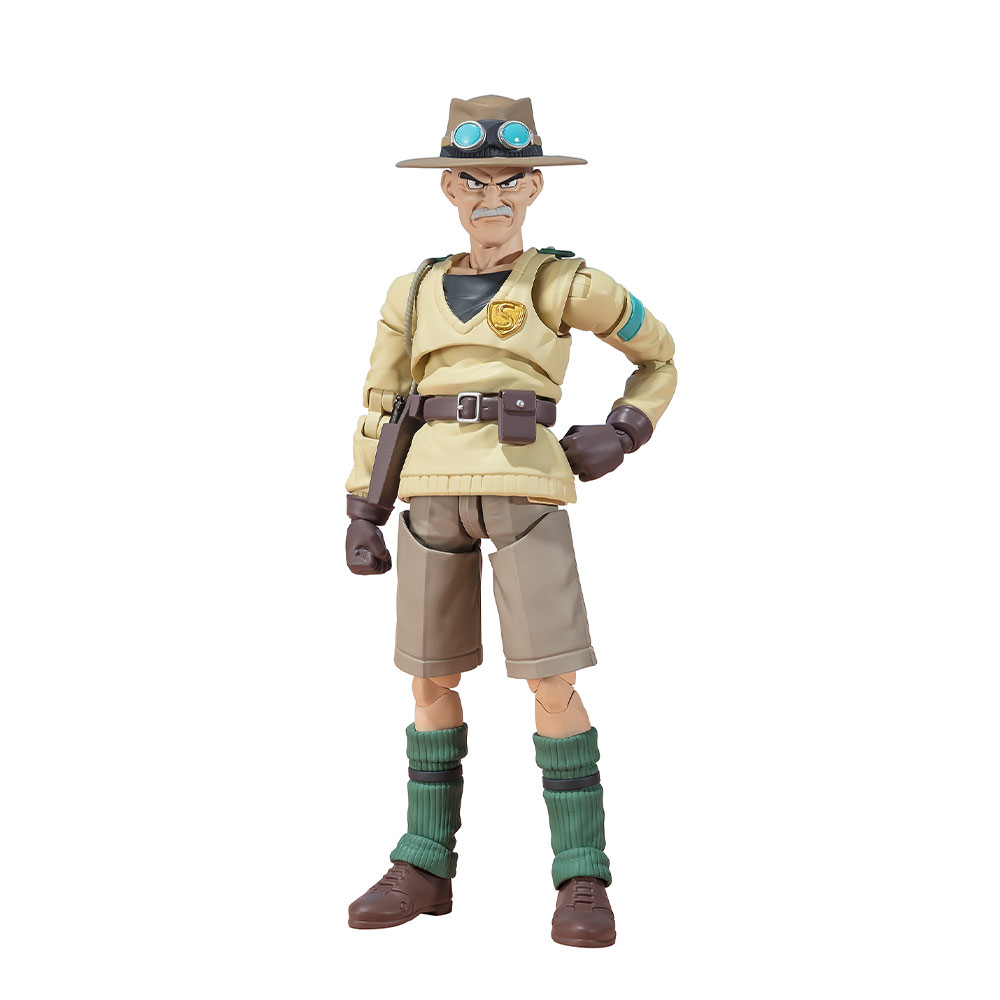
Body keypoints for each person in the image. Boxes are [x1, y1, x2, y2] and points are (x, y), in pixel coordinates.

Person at [343, 95, 677, 947]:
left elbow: (660, 355)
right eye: (472, 181)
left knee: (552, 679)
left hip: (524, 484)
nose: (490, 197)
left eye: (508, 181)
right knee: (428, 680)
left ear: (533, 186)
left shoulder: (564, 282)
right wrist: (362, 506)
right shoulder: (412, 291)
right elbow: (382, 403)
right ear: (447, 188)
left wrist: (626, 430)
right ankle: (424, 861)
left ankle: (582, 873)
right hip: (429, 492)